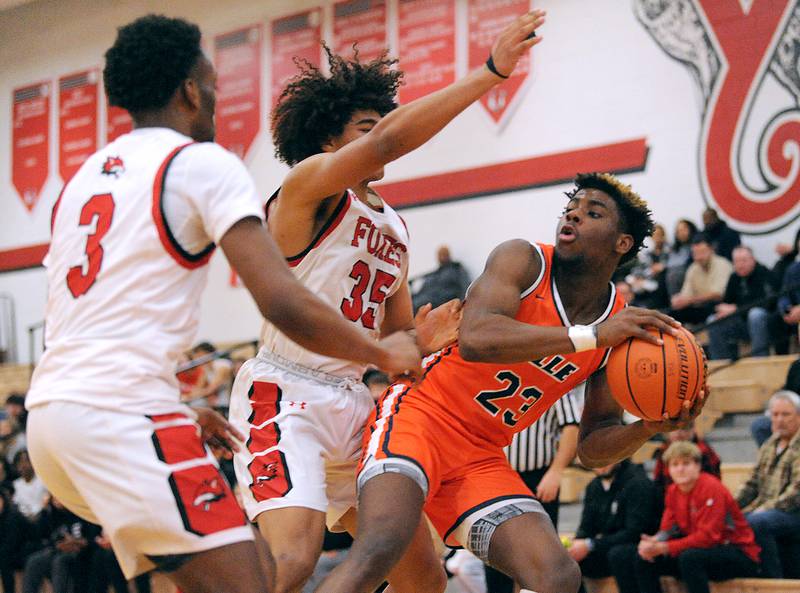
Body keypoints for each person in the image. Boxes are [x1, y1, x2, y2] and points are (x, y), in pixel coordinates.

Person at [24, 15, 422, 593]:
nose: (215, 97)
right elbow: (282, 301)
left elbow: (88, 318)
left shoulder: (83, 179)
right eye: (212, 84)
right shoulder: (202, 164)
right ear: (191, 89)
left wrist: (178, 412)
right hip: (126, 417)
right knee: (262, 580)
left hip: (54, 419)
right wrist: (378, 352)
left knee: (246, 576)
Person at [228, 12, 545, 593]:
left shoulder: (394, 228)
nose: (384, 135)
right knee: (295, 559)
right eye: (367, 127)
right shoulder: (304, 189)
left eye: (380, 124)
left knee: (422, 574)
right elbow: (392, 138)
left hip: (353, 402)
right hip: (283, 391)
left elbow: (398, 343)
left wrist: (427, 341)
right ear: (328, 141)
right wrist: (490, 72)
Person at [315, 172, 706, 593]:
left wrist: (646, 428)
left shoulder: (620, 327)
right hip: (420, 417)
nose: (573, 214)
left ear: (622, 243)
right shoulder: (524, 260)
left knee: (557, 575)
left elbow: (593, 449)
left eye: (593, 213)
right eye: (570, 208)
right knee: (382, 547)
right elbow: (477, 338)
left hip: (480, 454)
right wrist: (590, 336)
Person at [617, 442, 759, 593]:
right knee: (643, 557)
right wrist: (654, 542)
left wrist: (664, 547)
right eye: (675, 464)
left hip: (737, 551)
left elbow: (708, 537)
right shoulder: (672, 491)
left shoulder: (712, 487)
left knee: (690, 558)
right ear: (668, 469)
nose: (680, 469)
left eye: (686, 463)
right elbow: (669, 529)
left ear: (698, 466)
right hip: (701, 551)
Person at [485, 386, 582, 593]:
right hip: (496, 477)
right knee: (494, 551)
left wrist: (556, 471)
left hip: (538, 478)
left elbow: (572, 427)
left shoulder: (553, 380)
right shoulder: (492, 375)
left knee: (542, 556)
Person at [567, 459, 658, 591]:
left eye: (606, 458)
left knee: (619, 555)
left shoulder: (637, 483)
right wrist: (576, 544)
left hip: (637, 545)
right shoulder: (594, 486)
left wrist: (590, 544)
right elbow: (586, 527)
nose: (601, 464)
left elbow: (634, 532)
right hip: (608, 546)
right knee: (566, 563)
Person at [736, 390, 800, 578]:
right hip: (768, 510)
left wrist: (764, 508)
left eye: (785, 414)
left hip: (793, 512)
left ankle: (774, 582)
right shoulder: (769, 445)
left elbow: (797, 492)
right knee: (729, 520)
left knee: (757, 522)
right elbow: (751, 484)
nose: (779, 420)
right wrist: (730, 507)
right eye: (775, 414)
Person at [706, 246, 776, 360]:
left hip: (767, 322)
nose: (740, 265)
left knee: (756, 314)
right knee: (713, 320)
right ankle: (721, 364)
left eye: (744, 260)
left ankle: (760, 361)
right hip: (741, 323)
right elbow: (726, 304)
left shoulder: (764, 273)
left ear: (753, 259)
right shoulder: (734, 278)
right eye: (736, 261)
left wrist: (736, 308)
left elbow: (768, 303)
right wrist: (722, 311)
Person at [22, 496, 101, 593]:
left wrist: (78, 542)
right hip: (58, 550)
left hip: (81, 552)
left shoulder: (83, 512)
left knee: (59, 561)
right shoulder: (52, 513)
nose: (57, 501)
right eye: (54, 498)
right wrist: (44, 510)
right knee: (34, 560)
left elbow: (94, 538)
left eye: (59, 498)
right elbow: (40, 534)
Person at [669, 234, 732, 325]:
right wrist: (679, 300)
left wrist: (690, 300)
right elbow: (686, 294)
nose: (699, 257)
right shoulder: (693, 268)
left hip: (720, 306)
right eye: (695, 254)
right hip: (700, 307)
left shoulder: (722, 264)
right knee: (672, 314)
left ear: (711, 250)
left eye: (702, 252)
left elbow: (718, 294)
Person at [412, 245, 472, 313]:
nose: (442, 257)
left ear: (449, 255)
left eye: (444, 254)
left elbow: (465, 287)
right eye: (440, 255)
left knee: (414, 305)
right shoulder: (435, 273)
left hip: (441, 301)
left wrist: (460, 306)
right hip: (427, 299)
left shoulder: (456, 269)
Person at [626, 223, 669, 309]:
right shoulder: (647, 254)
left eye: (659, 235)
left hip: (659, 283)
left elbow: (672, 264)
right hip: (646, 281)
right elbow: (640, 269)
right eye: (654, 235)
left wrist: (663, 266)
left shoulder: (669, 252)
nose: (657, 238)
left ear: (663, 236)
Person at [663, 219, 698, 298]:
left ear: (691, 229)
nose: (681, 233)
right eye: (678, 231)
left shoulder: (696, 246)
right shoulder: (674, 248)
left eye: (683, 229)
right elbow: (670, 264)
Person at [12, 450, 47, 521]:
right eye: (20, 462)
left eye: (26, 461)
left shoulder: (43, 479)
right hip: (25, 521)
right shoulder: (16, 484)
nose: (23, 465)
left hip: (43, 517)